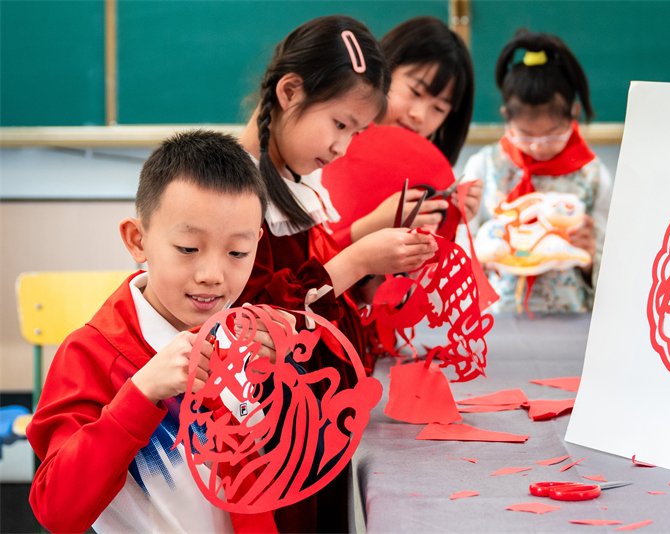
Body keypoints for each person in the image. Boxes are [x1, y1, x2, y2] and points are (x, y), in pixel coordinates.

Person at [235, 15, 437, 532]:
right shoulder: (235, 192)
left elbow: (314, 274)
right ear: (289, 91)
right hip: (270, 427)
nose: (344, 146)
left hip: (315, 416)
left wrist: (371, 246)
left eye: (357, 131)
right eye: (340, 124)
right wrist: (360, 260)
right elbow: (256, 320)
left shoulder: (294, 179)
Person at [27, 130, 283, 533]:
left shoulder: (245, 338)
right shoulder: (89, 355)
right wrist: (141, 394)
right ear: (138, 240)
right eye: (187, 248)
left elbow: (274, 475)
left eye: (237, 253)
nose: (212, 275)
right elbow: (56, 510)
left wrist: (280, 382)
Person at [465, 30, 613, 314]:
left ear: (574, 112)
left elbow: (613, 264)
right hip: (498, 316)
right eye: (525, 135)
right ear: (506, 116)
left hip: (570, 316)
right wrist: (484, 248)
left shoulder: (592, 175)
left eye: (552, 135)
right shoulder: (484, 166)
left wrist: (591, 255)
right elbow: (463, 247)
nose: (538, 147)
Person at [323, 16, 483, 247]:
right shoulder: (324, 149)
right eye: (415, 92)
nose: (420, 114)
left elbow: (425, 271)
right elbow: (303, 265)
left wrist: (450, 217)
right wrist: (371, 226)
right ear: (384, 70)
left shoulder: (426, 182)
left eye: (439, 108)